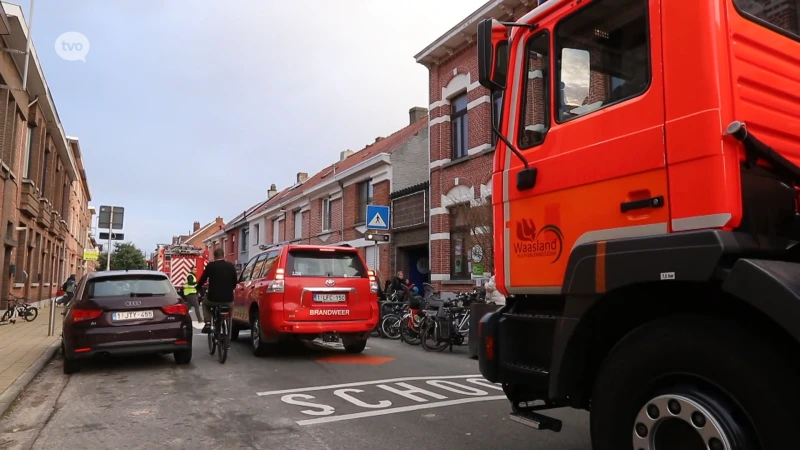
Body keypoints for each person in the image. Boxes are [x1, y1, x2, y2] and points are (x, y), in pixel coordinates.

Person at [195, 248, 238, 334]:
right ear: (224, 255)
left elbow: (203, 279)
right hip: (228, 299)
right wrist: (231, 288)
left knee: (204, 304)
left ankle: (207, 322)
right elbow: (235, 281)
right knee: (231, 306)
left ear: (214, 256)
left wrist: (198, 288)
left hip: (213, 299)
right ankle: (229, 322)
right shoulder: (231, 266)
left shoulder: (211, 266)